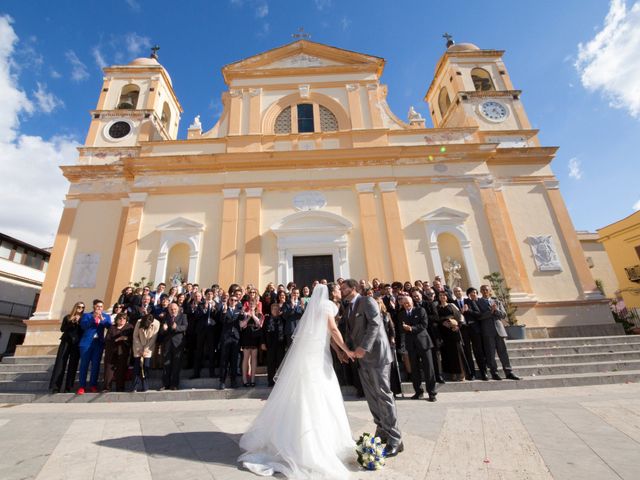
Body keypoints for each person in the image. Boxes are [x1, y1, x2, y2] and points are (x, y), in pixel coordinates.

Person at [238, 284, 356, 478]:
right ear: (329, 292)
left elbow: (325, 333)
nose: (339, 291)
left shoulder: (317, 307)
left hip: (317, 352)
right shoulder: (327, 305)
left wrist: (338, 351)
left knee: (310, 392)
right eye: (336, 289)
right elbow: (333, 330)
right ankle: (313, 442)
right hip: (317, 356)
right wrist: (347, 350)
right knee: (318, 392)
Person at [340, 278, 404, 457]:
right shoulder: (349, 308)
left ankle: (395, 438)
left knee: (383, 395)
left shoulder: (367, 301)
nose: (341, 290)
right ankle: (382, 430)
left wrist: (364, 347)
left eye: (344, 288)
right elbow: (351, 333)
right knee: (371, 396)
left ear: (353, 288)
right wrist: (347, 350)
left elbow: (376, 324)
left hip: (377, 356)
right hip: (362, 359)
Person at [478, 285, 521, 381]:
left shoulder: (497, 301)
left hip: (499, 330)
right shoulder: (479, 302)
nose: (485, 291)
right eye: (483, 290)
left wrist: (496, 310)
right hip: (488, 331)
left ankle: (509, 372)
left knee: (503, 352)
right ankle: (494, 372)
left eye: (487, 290)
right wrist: (491, 311)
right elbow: (479, 316)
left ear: (490, 291)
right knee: (490, 353)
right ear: (481, 291)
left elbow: (503, 314)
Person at [398, 296, 437, 401]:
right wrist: (405, 329)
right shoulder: (401, 314)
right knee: (414, 370)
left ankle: (432, 393)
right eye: (404, 303)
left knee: (429, 368)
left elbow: (424, 325)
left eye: (408, 303)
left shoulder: (420, 310)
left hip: (424, 343)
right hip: (411, 345)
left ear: (412, 302)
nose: (406, 305)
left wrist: (411, 328)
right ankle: (418, 392)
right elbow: (400, 328)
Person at [77, 299, 112, 395]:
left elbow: (110, 327)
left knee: (96, 365)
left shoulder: (106, 316)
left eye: (101, 307)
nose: (99, 308)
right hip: (86, 343)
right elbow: (83, 326)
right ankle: (81, 386)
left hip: (98, 343)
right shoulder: (87, 315)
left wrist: (102, 320)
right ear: (94, 307)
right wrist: (93, 317)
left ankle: (93, 385)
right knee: (84, 365)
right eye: (98, 307)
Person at [49, 301, 84, 393]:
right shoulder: (67, 317)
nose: (81, 309)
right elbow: (62, 329)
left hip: (76, 343)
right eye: (79, 307)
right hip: (66, 341)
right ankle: (55, 387)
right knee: (60, 363)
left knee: (73, 364)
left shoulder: (83, 318)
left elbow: (83, 330)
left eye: (82, 308)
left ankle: (69, 387)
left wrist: (78, 322)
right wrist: (71, 322)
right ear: (75, 307)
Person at [436, 291, 465, 381]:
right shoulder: (437, 307)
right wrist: (442, 322)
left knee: (457, 352)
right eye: (440, 295)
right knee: (447, 353)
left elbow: (459, 316)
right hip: (444, 332)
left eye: (444, 295)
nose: (442, 297)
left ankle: (462, 373)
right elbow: (436, 318)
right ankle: (452, 373)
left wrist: (457, 325)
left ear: (447, 297)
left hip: (453, 330)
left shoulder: (451, 305)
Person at [158, 302, 188, 390]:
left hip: (178, 343)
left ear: (178, 309)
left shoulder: (183, 316)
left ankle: (174, 384)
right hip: (167, 344)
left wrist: (177, 327)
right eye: (171, 309)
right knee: (166, 363)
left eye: (175, 309)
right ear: (168, 310)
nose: (173, 311)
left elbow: (185, 327)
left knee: (176, 364)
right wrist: (163, 329)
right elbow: (161, 332)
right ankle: (165, 384)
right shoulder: (166, 317)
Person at [218, 295, 245, 389]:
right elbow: (221, 320)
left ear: (237, 301)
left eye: (235, 300)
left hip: (235, 338)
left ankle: (233, 381)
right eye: (232, 300)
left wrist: (242, 314)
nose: (233, 301)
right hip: (226, 337)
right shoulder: (225, 310)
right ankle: (222, 381)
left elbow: (242, 321)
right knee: (224, 360)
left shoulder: (238, 310)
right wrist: (224, 311)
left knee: (234, 361)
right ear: (229, 300)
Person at [103, 312, 133, 392]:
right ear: (117, 320)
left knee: (121, 370)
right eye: (120, 318)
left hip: (123, 352)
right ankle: (107, 387)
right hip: (111, 352)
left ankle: (120, 388)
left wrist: (125, 338)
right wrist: (117, 339)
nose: (122, 320)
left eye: (124, 319)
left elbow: (132, 339)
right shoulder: (112, 328)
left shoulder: (129, 327)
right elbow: (107, 339)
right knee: (108, 370)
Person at [132, 313, 160, 392]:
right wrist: (140, 348)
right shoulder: (139, 322)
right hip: (138, 346)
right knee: (137, 367)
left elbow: (153, 338)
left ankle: (145, 386)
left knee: (146, 366)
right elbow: (135, 335)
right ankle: (135, 386)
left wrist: (145, 350)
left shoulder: (156, 323)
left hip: (149, 347)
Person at [241, 297, 264, 387]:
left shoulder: (259, 314)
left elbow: (260, 324)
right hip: (246, 336)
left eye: (253, 304)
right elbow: (242, 325)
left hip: (255, 336)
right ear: (248, 305)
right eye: (250, 304)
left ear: (255, 305)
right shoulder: (244, 313)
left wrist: (253, 315)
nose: (251, 306)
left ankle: (253, 379)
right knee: (245, 358)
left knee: (254, 359)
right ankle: (244, 379)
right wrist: (248, 317)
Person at [262, 303, 285, 387]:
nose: (275, 310)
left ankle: (280, 380)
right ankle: (270, 381)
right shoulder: (267, 319)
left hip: (280, 344)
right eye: (273, 309)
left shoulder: (282, 318)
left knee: (280, 362)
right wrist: (263, 343)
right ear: (271, 310)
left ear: (279, 310)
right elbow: (263, 331)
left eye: (277, 309)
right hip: (270, 344)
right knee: (271, 363)